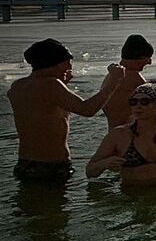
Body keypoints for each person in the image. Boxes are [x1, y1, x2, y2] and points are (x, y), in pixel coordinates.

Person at [7, 39, 126, 181]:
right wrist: (114, 81)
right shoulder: (51, 85)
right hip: (52, 166)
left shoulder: (17, 86)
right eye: (67, 66)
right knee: (56, 203)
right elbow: (87, 109)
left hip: (24, 163)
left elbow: (44, 111)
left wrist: (62, 83)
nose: (69, 70)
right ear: (59, 63)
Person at [103, 34, 153, 128]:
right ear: (141, 58)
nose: (150, 62)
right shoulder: (135, 78)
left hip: (113, 132)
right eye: (148, 58)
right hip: (129, 135)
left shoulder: (112, 76)